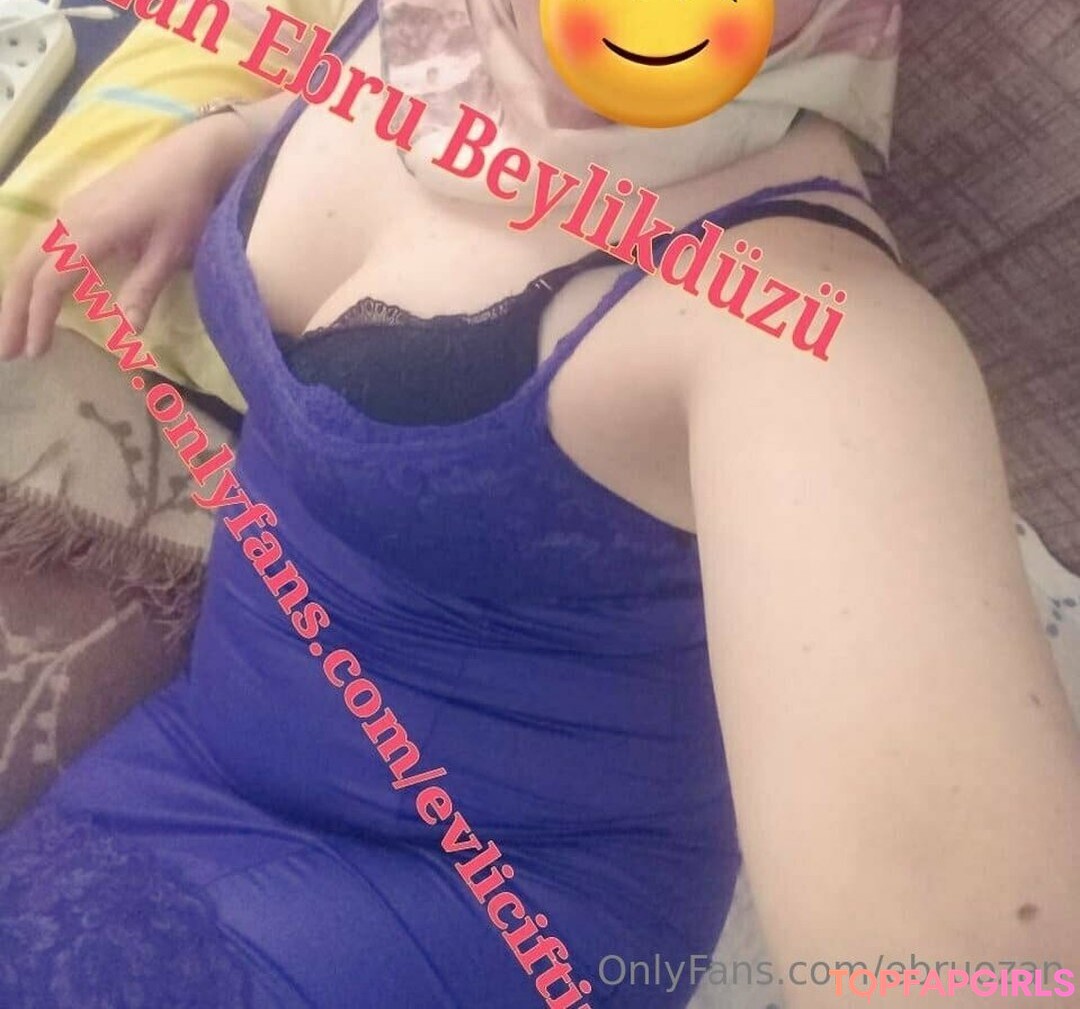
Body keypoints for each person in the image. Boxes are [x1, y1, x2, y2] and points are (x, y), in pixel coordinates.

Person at [0, 1, 1078, 1006]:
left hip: (469, 905)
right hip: (199, 752)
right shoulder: (444, 31)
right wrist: (223, 144)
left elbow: (957, 952)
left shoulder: (817, 347)